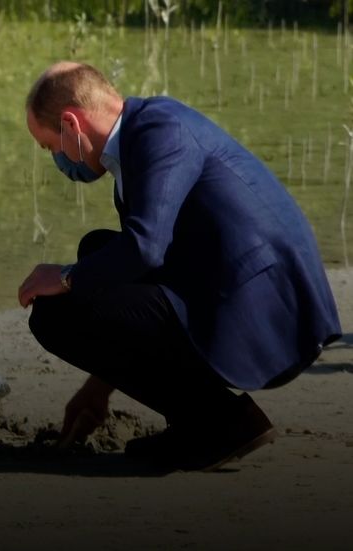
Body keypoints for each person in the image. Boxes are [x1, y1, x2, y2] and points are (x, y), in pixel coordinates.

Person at [18, 61, 341, 471]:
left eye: (50, 147)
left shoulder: (160, 131)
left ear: (71, 123)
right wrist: (98, 388)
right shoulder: (139, 135)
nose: (58, 160)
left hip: (265, 305)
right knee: (96, 250)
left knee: (55, 313)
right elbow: (143, 258)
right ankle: (202, 421)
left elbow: (146, 251)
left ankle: (218, 422)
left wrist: (64, 278)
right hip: (231, 284)